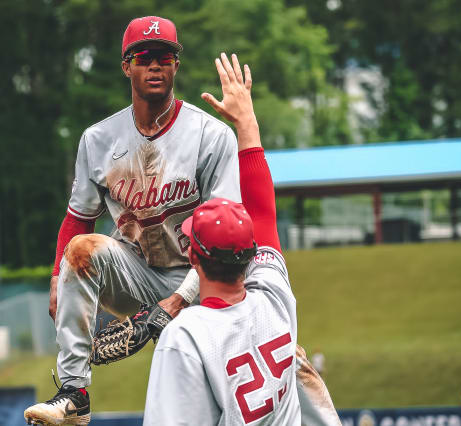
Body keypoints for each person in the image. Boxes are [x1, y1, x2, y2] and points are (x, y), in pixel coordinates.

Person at [24, 16, 242, 425]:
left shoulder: (210, 135)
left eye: (165, 57)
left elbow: (228, 241)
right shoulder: (99, 139)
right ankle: (74, 393)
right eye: (143, 57)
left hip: (206, 275)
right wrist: (58, 277)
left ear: (176, 65)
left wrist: (177, 302)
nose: (154, 66)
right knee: (81, 252)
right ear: (127, 66)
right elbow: (78, 219)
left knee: (227, 386)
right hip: (136, 270)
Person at [144, 53, 341, 425]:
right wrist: (246, 121)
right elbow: (263, 213)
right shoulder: (275, 303)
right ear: (250, 256)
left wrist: (244, 122)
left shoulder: (186, 337)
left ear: (193, 259)